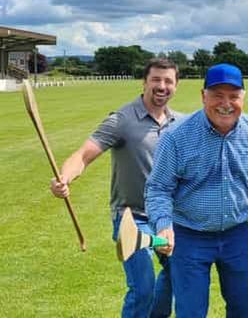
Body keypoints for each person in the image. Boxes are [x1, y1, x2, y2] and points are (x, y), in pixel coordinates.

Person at [49, 58, 181, 318]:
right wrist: (64, 177)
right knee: (142, 288)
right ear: (144, 82)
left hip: (167, 218)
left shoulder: (181, 123)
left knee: (180, 275)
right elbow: (83, 155)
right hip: (132, 218)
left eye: (168, 81)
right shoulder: (121, 119)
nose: (162, 86)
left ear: (176, 86)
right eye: (155, 79)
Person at [145, 63, 248, 318]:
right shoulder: (176, 136)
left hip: (237, 235)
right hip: (189, 236)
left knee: (244, 309)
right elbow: (159, 188)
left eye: (234, 96)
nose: (226, 103)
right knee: (191, 311)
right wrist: (162, 224)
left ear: (243, 98)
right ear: (203, 96)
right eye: (217, 95)